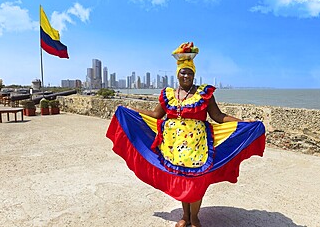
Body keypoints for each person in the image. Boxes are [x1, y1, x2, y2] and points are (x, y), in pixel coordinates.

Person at [106, 42, 266, 227]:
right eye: (183, 72)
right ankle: (185, 216)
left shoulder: (204, 93)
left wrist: (242, 122)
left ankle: (195, 217)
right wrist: (131, 109)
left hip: (198, 145)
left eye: (190, 73)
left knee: (196, 181)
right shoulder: (169, 94)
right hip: (173, 145)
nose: (186, 76)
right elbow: (156, 115)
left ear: (194, 74)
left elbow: (218, 116)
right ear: (178, 75)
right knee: (182, 179)